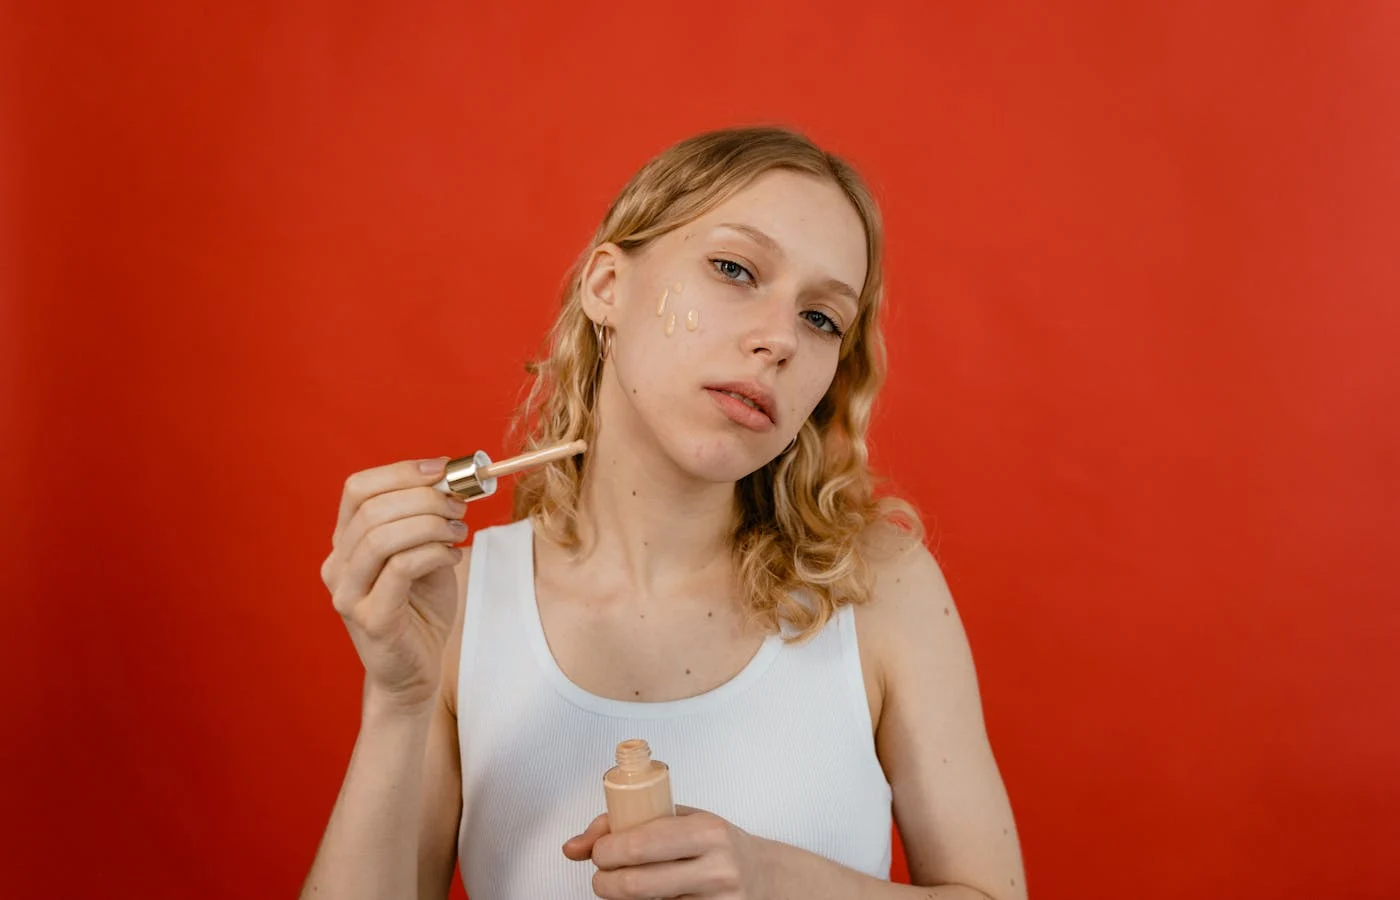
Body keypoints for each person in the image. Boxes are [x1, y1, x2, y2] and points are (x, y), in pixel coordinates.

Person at [302, 126, 1026, 900]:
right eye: (735, 269)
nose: (779, 338)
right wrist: (397, 700)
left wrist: (774, 878)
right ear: (608, 286)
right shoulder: (460, 606)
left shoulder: (877, 588)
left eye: (822, 319)